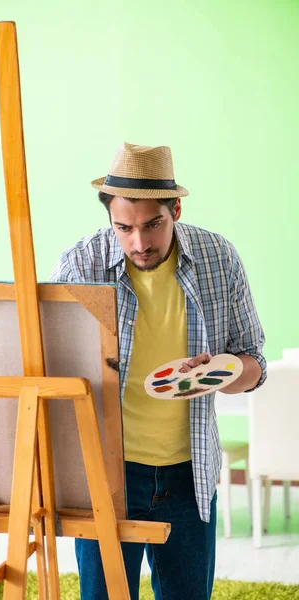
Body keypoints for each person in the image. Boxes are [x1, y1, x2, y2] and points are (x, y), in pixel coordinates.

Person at [50, 142, 266, 600]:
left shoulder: (219, 260)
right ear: (109, 218)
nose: (139, 243)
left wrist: (223, 371)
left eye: (153, 225)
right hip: (108, 473)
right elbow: (55, 374)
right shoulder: (80, 263)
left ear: (177, 209)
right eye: (123, 228)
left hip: (189, 474)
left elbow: (254, 364)